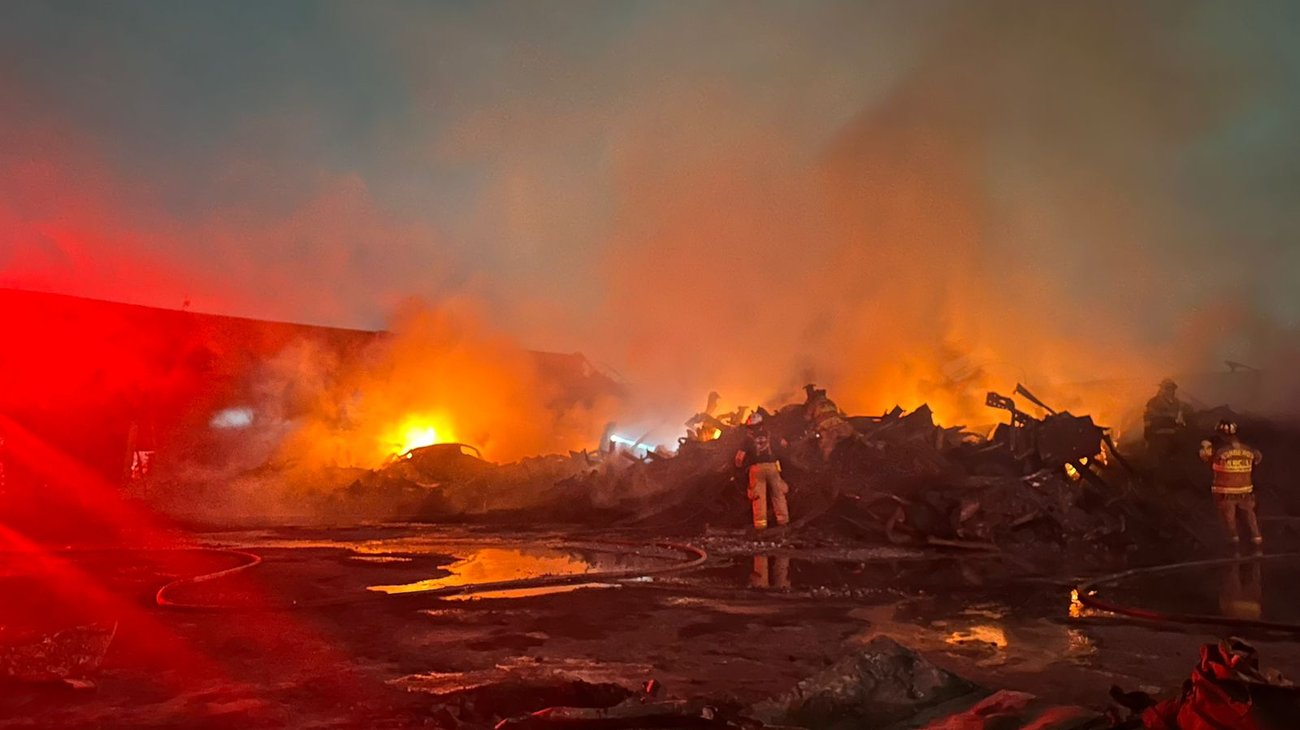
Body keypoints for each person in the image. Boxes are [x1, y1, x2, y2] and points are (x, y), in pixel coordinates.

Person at [1199, 419, 1263, 549]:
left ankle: (1234, 548)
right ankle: (1257, 541)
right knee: (1250, 516)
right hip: (1245, 490)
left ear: (1220, 434)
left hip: (1224, 491)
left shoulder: (1219, 451)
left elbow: (1206, 459)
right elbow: (1258, 458)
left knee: (1228, 519)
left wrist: (1205, 447)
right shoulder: (1249, 449)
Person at [734, 413, 789, 531]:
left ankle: (760, 526)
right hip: (773, 467)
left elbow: (739, 457)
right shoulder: (771, 434)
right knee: (778, 494)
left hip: (756, 469)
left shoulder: (747, 439)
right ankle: (783, 522)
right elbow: (784, 444)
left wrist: (738, 468)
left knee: (758, 497)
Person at [803, 384, 855, 462]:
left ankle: (826, 463)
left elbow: (807, 418)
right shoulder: (830, 402)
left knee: (826, 446)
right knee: (852, 435)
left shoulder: (813, 404)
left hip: (826, 427)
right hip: (839, 424)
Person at [1143, 378, 1186, 457]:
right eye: (1167, 388)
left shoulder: (1177, 402)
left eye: (1171, 388)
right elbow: (1147, 418)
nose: (1169, 391)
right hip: (1158, 437)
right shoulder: (1153, 402)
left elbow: (1180, 419)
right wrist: (1147, 434)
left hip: (1173, 437)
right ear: (1162, 389)